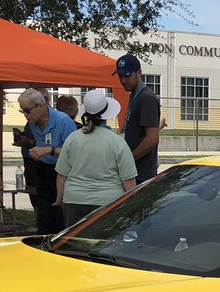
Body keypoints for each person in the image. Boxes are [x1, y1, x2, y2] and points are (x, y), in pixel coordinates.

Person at [54, 89, 137, 227]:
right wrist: (132, 205)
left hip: (74, 201)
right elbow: (128, 180)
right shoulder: (117, 142)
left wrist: (59, 198)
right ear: (106, 115)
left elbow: (62, 175)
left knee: (75, 240)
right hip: (109, 202)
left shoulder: (72, 138)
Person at [17, 87, 75, 234]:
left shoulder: (64, 121)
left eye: (27, 111)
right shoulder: (33, 123)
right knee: (44, 218)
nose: (25, 115)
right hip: (43, 170)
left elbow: (75, 152)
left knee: (60, 218)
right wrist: (34, 147)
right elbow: (42, 143)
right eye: (22, 111)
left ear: (41, 106)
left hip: (62, 174)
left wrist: (50, 150)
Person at [115, 54, 161, 183]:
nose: (123, 80)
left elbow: (152, 138)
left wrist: (129, 159)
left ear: (139, 73)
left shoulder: (146, 98)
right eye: (120, 76)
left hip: (141, 174)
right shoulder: (134, 95)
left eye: (127, 75)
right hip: (132, 171)